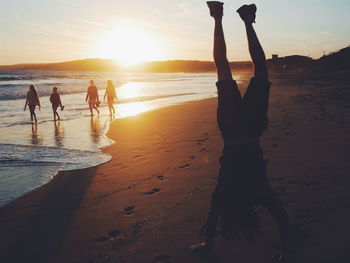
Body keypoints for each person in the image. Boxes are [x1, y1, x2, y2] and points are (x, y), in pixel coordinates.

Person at [191, 2, 290, 261]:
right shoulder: (227, 191)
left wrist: (287, 246)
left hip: (252, 130)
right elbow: (214, 214)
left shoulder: (259, 190)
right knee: (222, 67)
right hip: (232, 130)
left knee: (260, 69)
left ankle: (245, 19)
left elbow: (279, 215)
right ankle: (218, 17)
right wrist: (208, 243)